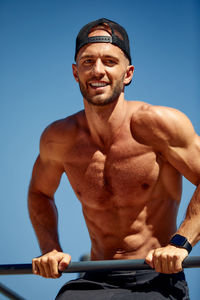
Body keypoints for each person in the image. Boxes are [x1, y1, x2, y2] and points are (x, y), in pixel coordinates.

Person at [28, 18, 200, 299]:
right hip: (97, 276)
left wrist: (181, 244)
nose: (98, 71)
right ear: (75, 72)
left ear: (128, 73)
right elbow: (39, 192)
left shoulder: (158, 125)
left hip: (156, 276)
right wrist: (50, 248)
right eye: (87, 62)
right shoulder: (58, 138)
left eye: (109, 61)